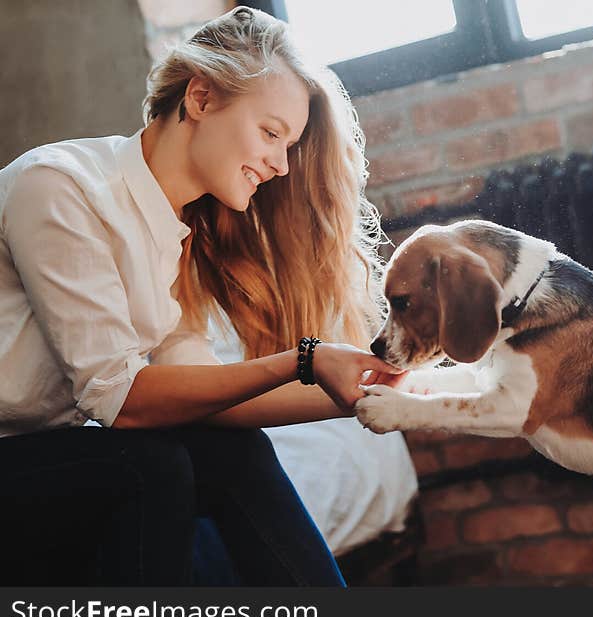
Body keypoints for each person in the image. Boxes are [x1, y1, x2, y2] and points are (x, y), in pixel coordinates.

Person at [0, 6, 405, 586]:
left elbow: (211, 402)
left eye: (289, 144)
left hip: (44, 455)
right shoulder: (61, 187)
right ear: (201, 98)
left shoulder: (176, 232)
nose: (281, 165)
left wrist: (388, 395)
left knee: (230, 450)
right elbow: (121, 399)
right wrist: (306, 359)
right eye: (271, 133)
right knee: (152, 467)